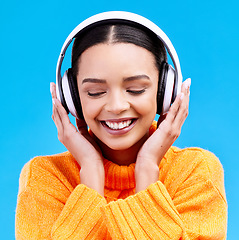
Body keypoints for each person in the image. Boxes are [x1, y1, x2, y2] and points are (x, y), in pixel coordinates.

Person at [15, 11, 227, 239]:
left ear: (165, 92)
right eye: (95, 92)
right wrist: (91, 175)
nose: (116, 106)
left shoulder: (194, 172)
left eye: (135, 89)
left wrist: (146, 170)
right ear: (73, 98)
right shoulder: (45, 177)